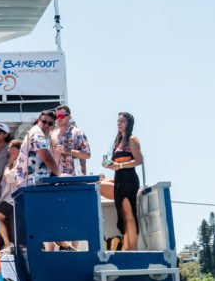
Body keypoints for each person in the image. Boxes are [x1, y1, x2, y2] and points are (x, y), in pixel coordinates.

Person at [101, 112, 144, 251]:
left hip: (129, 180)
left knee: (129, 214)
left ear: (129, 123)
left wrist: (118, 165)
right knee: (124, 216)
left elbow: (138, 161)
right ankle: (127, 246)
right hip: (119, 178)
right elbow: (118, 165)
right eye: (118, 121)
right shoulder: (119, 140)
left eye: (122, 121)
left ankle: (134, 248)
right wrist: (110, 166)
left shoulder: (132, 139)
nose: (119, 124)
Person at [15, 110, 61, 187]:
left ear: (53, 126)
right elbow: (46, 156)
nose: (46, 125)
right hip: (32, 183)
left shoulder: (41, 134)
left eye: (50, 123)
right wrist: (59, 174)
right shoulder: (38, 133)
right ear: (38, 121)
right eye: (44, 121)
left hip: (29, 182)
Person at [0, 139, 22, 254]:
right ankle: (8, 244)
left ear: (15, 150)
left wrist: (7, 167)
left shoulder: (20, 162)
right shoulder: (12, 163)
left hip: (13, 198)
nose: (8, 150)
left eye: (10, 148)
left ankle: (7, 244)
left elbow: (9, 177)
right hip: (9, 198)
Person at [50, 105, 91, 176]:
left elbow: (87, 155)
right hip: (58, 179)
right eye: (57, 116)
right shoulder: (52, 135)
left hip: (75, 179)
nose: (59, 118)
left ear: (69, 116)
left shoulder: (77, 133)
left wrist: (68, 151)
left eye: (62, 116)